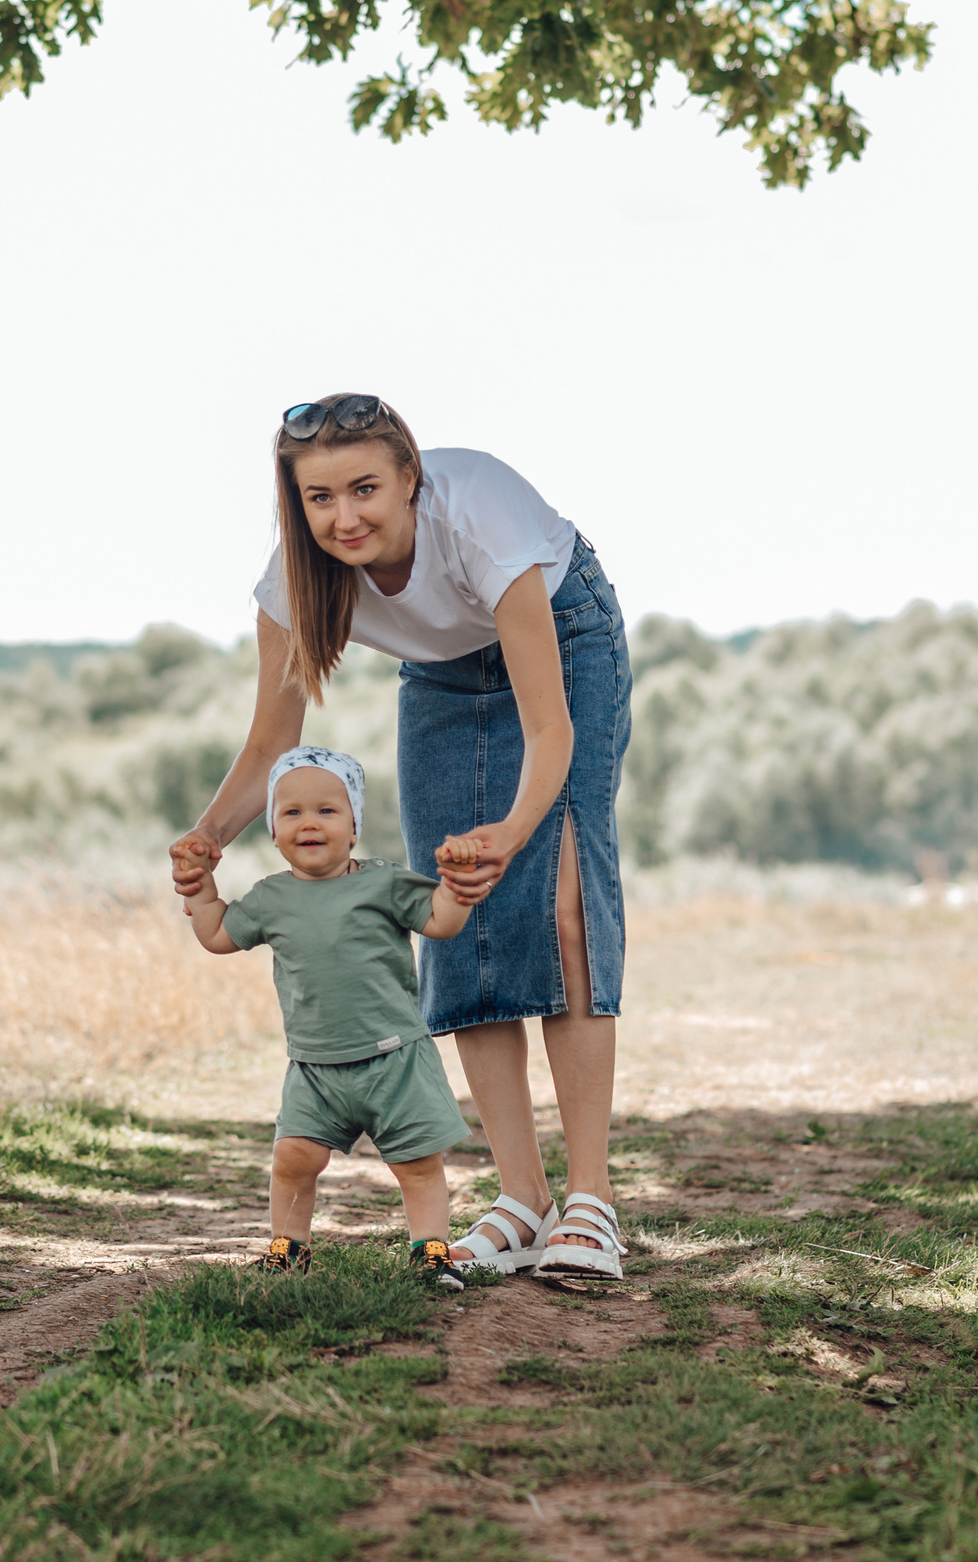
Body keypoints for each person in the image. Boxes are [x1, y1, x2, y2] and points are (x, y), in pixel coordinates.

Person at [168, 394, 632, 1281]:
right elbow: (271, 743)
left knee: (558, 898)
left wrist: (516, 830)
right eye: (319, 499)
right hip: (441, 679)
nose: (345, 517)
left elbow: (551, 733)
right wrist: (209, 835)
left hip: (564, 638)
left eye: (367, 488)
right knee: (456, 913)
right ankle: (524, 1198)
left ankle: (593, 1200)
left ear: (411, 478)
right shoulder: (293, 583)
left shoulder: (480, 515)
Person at [175, 746, 483, 1290]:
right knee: (293, 1158)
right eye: (291, 812)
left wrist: (457, 887)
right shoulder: (271, 898)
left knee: (417, 1165)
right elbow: (219, 936)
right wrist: (201, 891)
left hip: (395, 1059)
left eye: (327, 810)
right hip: (315, 1067)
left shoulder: (383, 883)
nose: (309, 822)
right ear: (272, 828)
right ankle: (288, 1250)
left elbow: (439, 922)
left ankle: (431, 1253)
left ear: (354, 825)